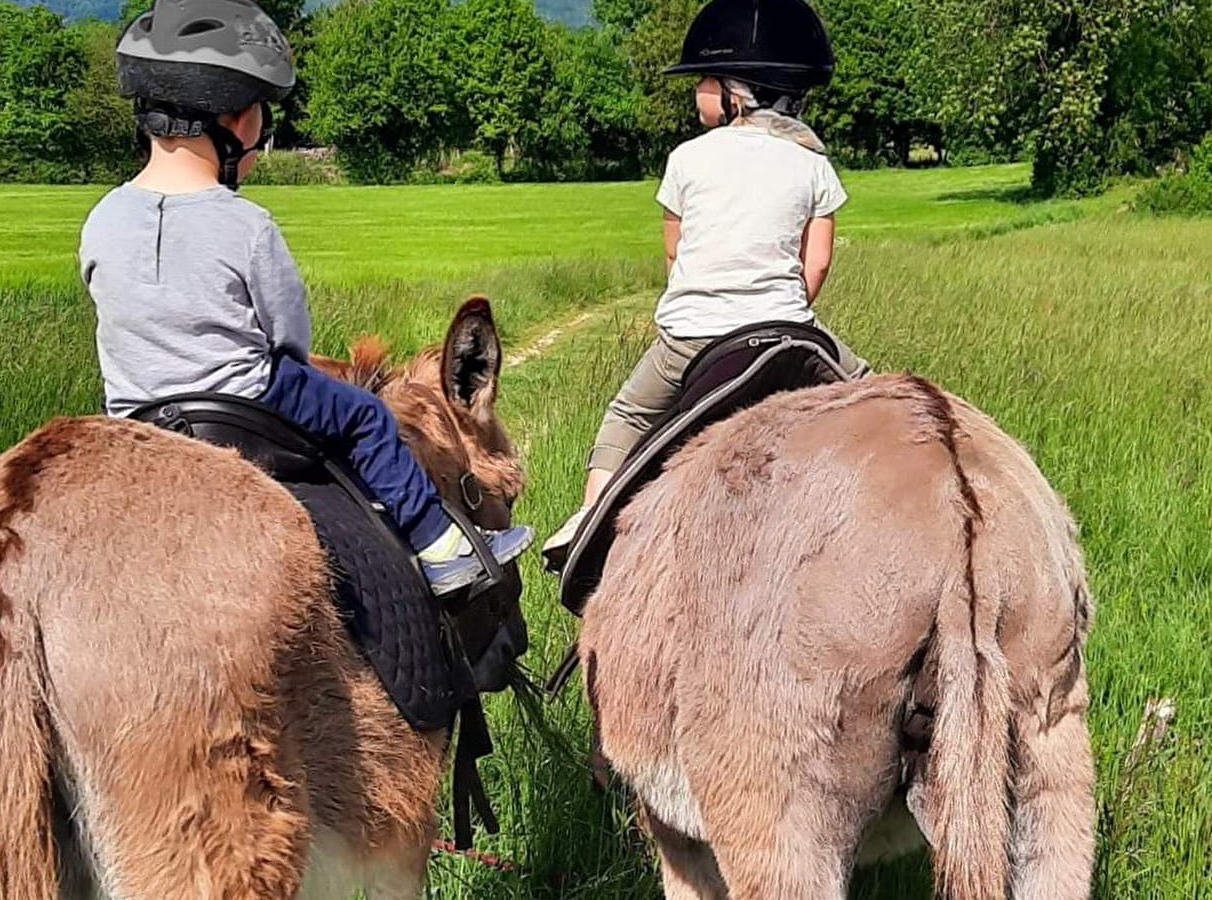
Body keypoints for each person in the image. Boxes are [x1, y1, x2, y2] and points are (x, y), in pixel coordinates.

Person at [82, 0, 532, 595]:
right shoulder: (247, 225)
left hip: (135, 411)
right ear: (241, 121)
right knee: (367, 418)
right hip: (245, 400)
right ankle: (443, 548)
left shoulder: (102, 217)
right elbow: (288, 335)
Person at [542, 0, 869, 562]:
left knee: (628, 414)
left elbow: (675, 255)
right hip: (788, 329)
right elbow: (815, 265)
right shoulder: (814, 163)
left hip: (691, 340)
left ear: (733, 90)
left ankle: (588, 525)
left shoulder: (686, 159)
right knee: (872, 393)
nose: (696, 93)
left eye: (703, 81)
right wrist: (772, 308)